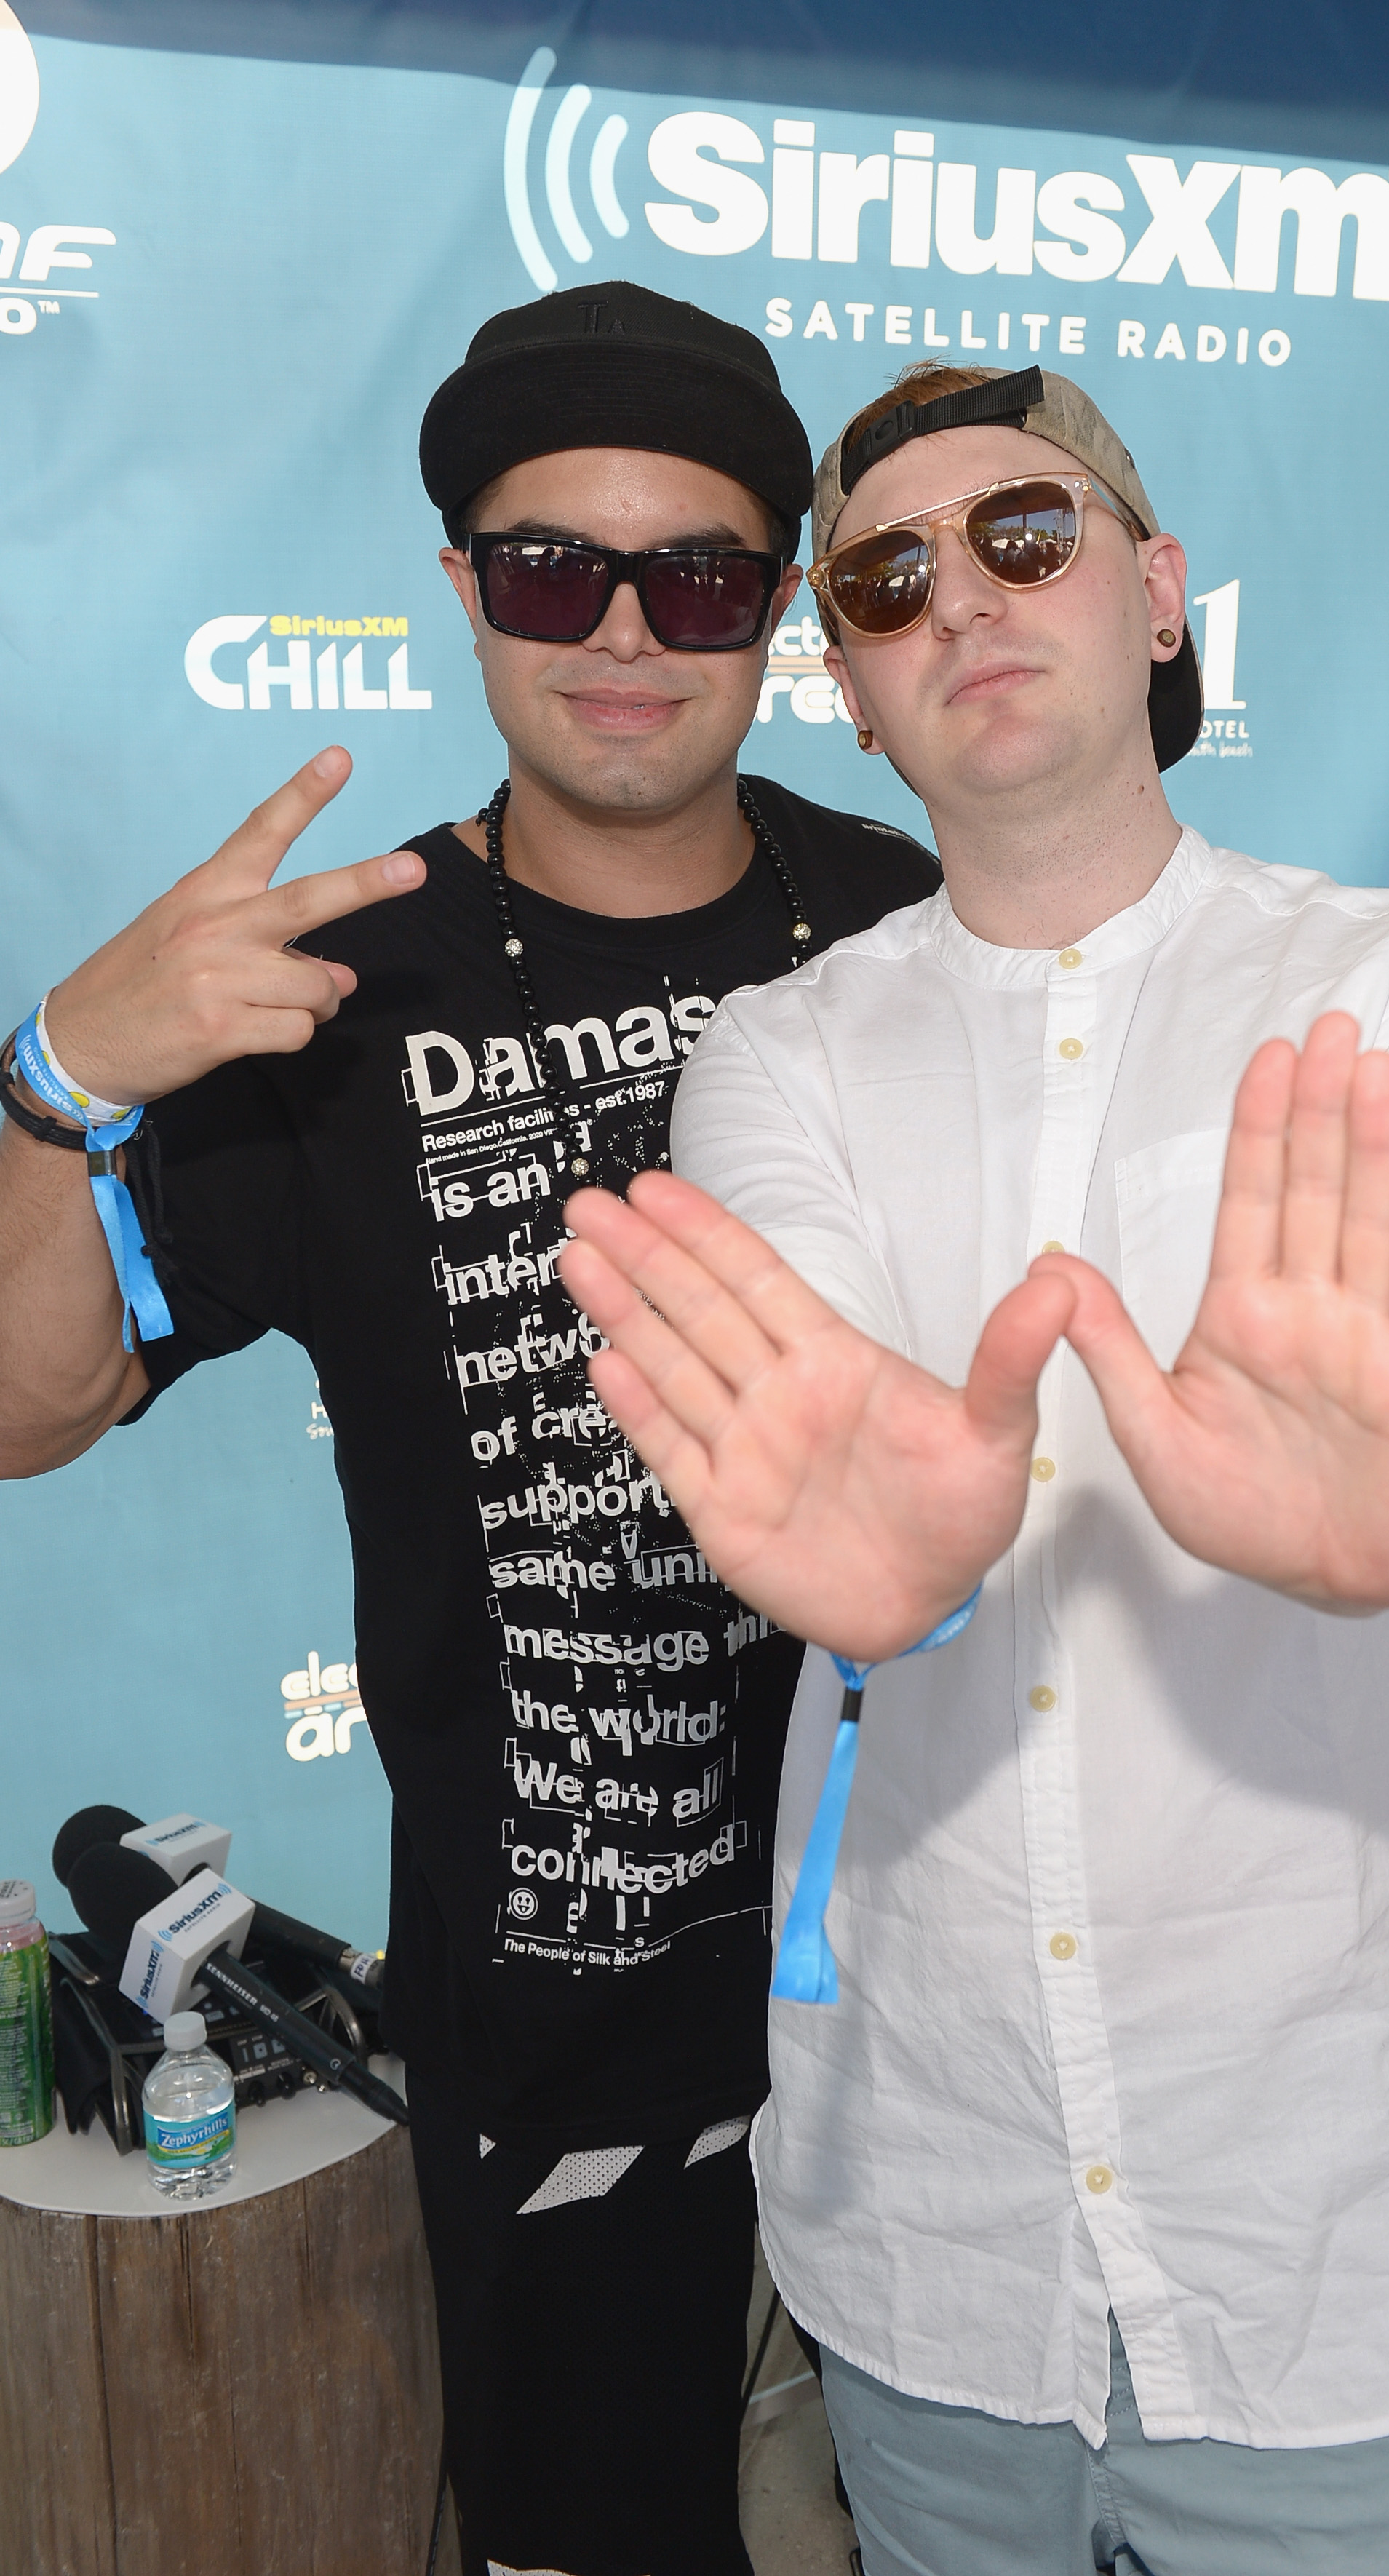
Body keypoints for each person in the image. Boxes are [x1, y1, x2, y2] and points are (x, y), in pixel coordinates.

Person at [555, 361, 1389, 2576]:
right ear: (846, 687)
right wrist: (889, 1546)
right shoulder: (775, 1055)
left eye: (1024, 536)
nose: (962, 594)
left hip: (1369, 2272)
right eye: (886, 578)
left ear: (1156, 595)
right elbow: (838, 1415)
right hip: (935, 2272)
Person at [0, 286, 937, 2576]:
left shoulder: (905, 927)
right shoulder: (337, 981)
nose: (624, 631)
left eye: (699, 576)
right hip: (561, 2015)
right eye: (553, 569)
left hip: (951, 1973)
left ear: (778, 614)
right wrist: (61, 1081)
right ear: (461, 588)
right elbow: (27, 1410)